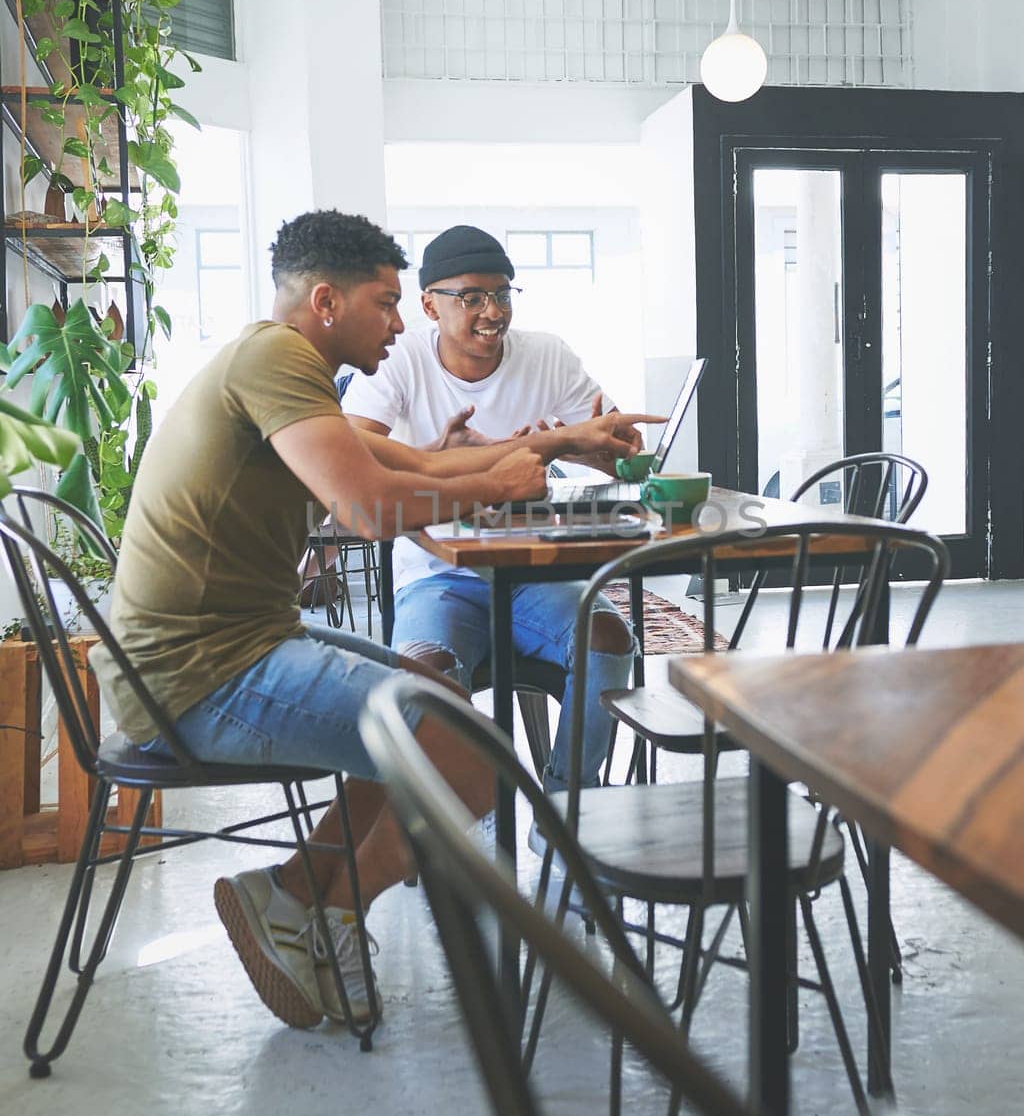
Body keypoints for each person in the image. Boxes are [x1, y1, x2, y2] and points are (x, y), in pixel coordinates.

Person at [91, 209, 654, 1031]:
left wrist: (563, 439)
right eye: (387, 303)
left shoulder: (283, 366)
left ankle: (286, 895)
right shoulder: (277, 357)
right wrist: (494, 487)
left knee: (423, 688)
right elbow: (365, 506)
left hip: (217, 653)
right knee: (476, 757)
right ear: (326, 301)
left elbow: (418, 461)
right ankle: (326, 911)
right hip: (201, 678)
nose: (400, 323)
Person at [344, 224, 652, 799]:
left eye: (503, 294)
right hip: (438, 575)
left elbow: (623, 452)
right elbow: (354, 462)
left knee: (610, 637)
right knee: (425, 671)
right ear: (429, 304)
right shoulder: (399, 358)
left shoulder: (548, 355)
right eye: (472, 298)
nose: (493, 311)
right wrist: (472, 459)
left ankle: (568, 806)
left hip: (535, 573)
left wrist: (592, 446)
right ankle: (455, 832)